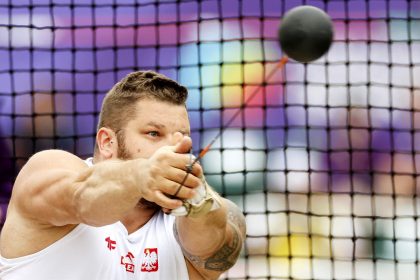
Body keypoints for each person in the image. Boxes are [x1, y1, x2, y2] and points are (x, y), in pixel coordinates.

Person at [0, 70, 246, 280]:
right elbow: (83, 198)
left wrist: (199, 202)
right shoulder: (52, 168)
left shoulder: (195, 217)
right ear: (107, 142)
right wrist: (141, 175)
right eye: (153, 134)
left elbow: (213, 246)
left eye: (181, 138)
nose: (172, 149)